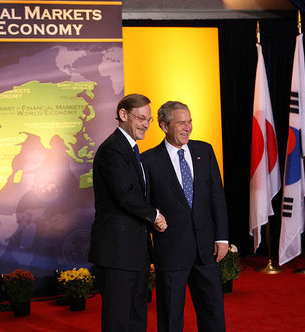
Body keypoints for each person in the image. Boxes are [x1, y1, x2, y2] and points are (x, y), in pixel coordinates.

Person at [141, 101, 228, 332]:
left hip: (206, 251)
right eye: (181, 123)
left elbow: (216, 197)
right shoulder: (148, 160)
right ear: (164, 126)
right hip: (171, 252)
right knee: (170, 318)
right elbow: (144, 205)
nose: (187, 128)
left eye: (190, 122)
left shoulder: (204, 150)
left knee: (213, 314)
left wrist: (222, 238)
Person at [89, 93, 167, 332]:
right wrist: (155, 215)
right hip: (118, 252)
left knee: (136, 315)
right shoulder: (113, 149)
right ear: (123, 115)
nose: (146, 124)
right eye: (141, 118)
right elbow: (126, 194)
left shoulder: (131, 149)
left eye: (149, 119)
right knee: (119, 319)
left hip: (135, 252)